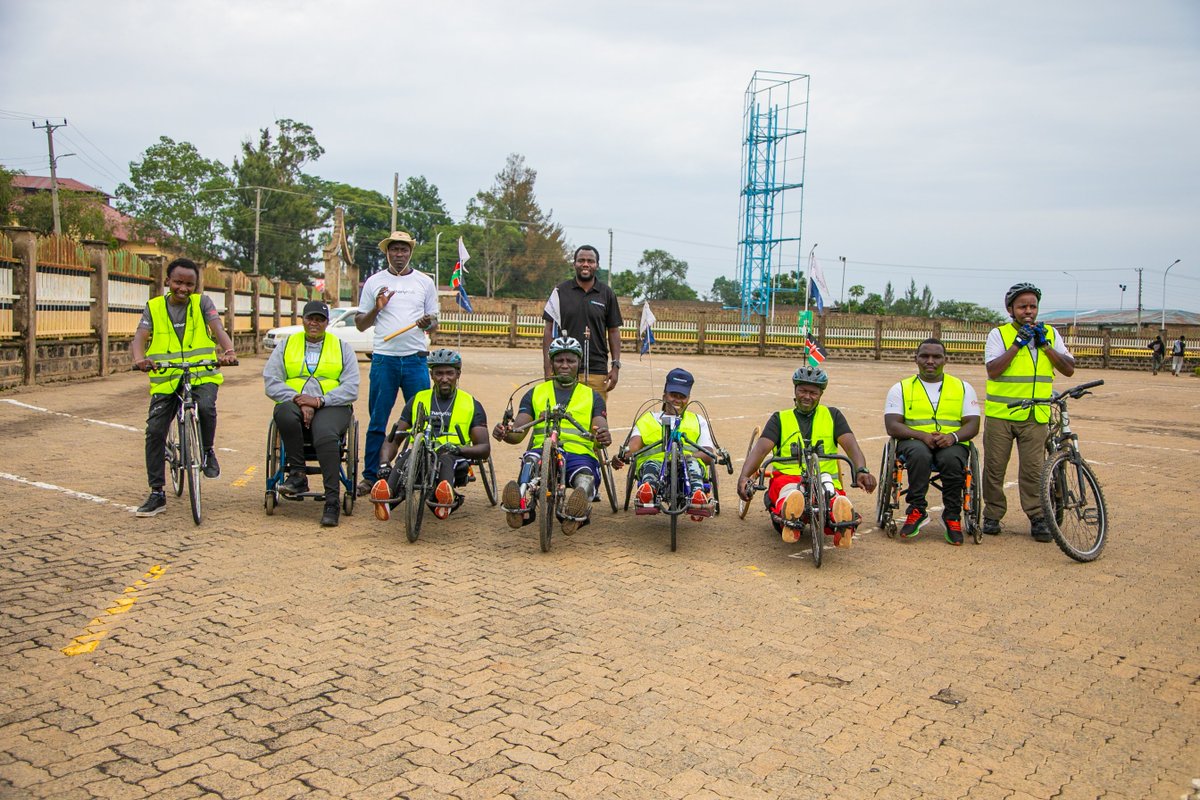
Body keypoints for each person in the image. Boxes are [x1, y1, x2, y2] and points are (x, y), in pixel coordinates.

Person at [131, 258, 237, 517]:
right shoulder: (154, 307)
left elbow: (217, 328)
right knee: (155, 430)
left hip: (201, 373)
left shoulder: (203, 303)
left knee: (207, 407)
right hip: (166, 376)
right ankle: (157, 492)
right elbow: (140, 337)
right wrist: (139, 359)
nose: (184, 288)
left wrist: (229, 350)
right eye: (178, 282)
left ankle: (208, 451)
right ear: (167, 281)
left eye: (190, 284)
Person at [736, 365, 877, 548]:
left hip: (824, 478)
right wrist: (744, 476)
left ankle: (841, 517)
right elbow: (761, 450)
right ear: (795, 390)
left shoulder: (833, 416)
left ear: (820, 395)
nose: (807, 396)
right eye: (802, 390)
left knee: (831, 493)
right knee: (789, 492)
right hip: (787, 478)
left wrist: (861, 470)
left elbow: (852, 447)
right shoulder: (780, 418)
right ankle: (791, 512)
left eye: (813, 392)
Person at [981, 282, 1075, 542]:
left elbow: (1068, 369)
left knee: (1034, 470)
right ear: (1011, 309)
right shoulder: (998, 335)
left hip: (1036, 416)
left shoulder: (1051, 334)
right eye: (1022, 306)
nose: (1029, 311)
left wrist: (1046, 347)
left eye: (1033, 306)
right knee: (994, 469)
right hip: (1002, 413)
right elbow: (993, 370)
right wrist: (1017, 345)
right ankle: (992, 514)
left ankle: (1037, 516)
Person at [493, 336, 612, 535]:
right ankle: (520, 504)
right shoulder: (535, 393)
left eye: (571, 361)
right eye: (559, 360)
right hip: (542, 451)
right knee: (530, 460)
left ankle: (578, 506)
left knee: (585, 477)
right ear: (551, 363)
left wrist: (602, 437)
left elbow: (600, 428)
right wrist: (505, 433)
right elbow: (518, 433)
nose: (565, 365)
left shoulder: (593, 396)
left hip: (579, 453)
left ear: (578, 363)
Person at [355, 231, 439, 496]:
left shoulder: (424, 282)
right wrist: (377, 308)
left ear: (410, 252)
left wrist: (428, 324)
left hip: (415, 360)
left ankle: (418, 471)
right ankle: (371, 476)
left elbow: (434, 323)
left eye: (403, 250)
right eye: (394, 250)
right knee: (378, 421)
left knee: (422, 421)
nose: (399, 255)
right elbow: (360, 325)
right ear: (387, 252)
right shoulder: (374, 282)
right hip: (384, 360)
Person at [262, 300, 359, 528]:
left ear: (327, 322)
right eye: (310, 318)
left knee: (325, 433)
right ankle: (297, 475)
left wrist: (318, 401)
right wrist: (299, 399)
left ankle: (332, 501)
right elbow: (271, 381)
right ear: (303, 320)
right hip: (293, 401)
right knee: (284, 414)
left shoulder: (342, 347)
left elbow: (351, 387)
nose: (314, 323)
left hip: (332, 405)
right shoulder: (287, 345)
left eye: (320, 319)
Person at [369, 349, 490, 522]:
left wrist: (459, 449)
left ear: (458, 374)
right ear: (432, 375)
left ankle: (444, 499)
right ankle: (386, 497)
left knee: (446, 459)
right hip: (421, 452)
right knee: (408, 455)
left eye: (449, 373)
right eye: (439, 373)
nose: (444, 378)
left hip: (454, 455)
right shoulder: (418, 399)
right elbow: (394, 438)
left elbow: (484, 448)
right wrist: (383, 463)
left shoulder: (471, 403)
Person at [883, 339, 981, 545]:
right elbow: (892, 425)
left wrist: (952, 437)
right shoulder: (900, 388)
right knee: (920, 453)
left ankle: (952, 515)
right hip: (914, 442)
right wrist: (922, 435)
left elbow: (972, 424)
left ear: (945, 360)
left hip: (952, 443)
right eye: (924, 356)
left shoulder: (963, 388)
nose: (930, 361)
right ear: (915, 359)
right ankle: (917, 509)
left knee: (952, 459)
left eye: (936, 357)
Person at [613, 368, 715, 520]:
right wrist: (622, 455)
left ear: (688, 398)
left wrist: (688, 456)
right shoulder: (648, 419)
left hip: (688, 462)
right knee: (651, 465)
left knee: (692, 465)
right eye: (673, 395)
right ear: (664, 395)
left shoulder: (698, 421)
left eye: (682, 396)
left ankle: (697, 495)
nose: (677, 400)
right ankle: (648, 492)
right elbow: (634, 446)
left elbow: (708, 453)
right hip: (655, 462)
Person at [542, 245, 623, 398]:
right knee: (562, 417)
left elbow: (613, 331)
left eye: (590, 261)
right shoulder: (560, 292)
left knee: (595, 419)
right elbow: (549, 329)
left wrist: (615, 366)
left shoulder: (607, 294)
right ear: (574, 264)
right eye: (581, 260)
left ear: (597, 265)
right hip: (563, 368)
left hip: (596, 371)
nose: (586, 264)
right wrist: (548, 368)